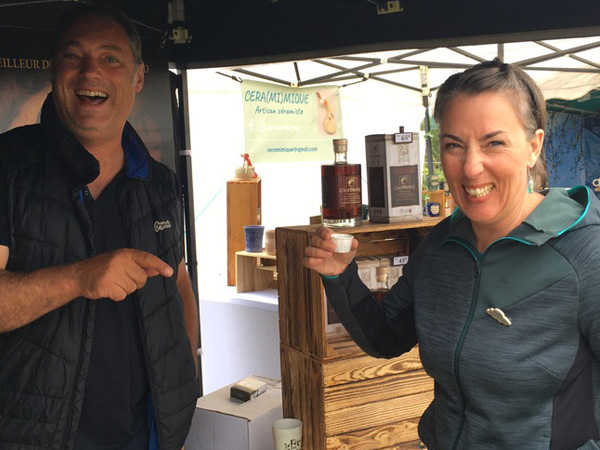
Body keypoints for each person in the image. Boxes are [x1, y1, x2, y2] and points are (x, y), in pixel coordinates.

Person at [304, 59, 600, 450]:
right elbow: (386, 338)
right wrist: (339, 275)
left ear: (533, 146)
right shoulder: (442, 244)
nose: (471, 167)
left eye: (494, 142)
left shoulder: (583, 252)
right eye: (453, 146)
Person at [0, 6, 199, 450]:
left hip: (147, 435)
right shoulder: (9, 166)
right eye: (74, 56)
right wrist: (80, 277)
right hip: (36, 436)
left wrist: (180, 391)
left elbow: (179, 285)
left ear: (139, 78)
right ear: (55, 72)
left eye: (111, 58)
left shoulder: (160, 181)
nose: (91, 70)